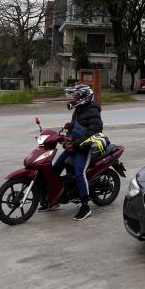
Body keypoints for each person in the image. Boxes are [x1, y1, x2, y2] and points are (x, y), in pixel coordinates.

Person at [43, 85, 103, 221]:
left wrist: (75, 144)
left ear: (83, 97)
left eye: (76, 96)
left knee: (79, 173)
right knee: (55, 168)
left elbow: (94, 131)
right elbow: (74, 129)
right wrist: (66, 138)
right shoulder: (78, 110)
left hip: (85, 148)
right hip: (74, 146)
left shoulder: (93, 111)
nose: (73, 99)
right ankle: (54, 200)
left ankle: (85, 206)